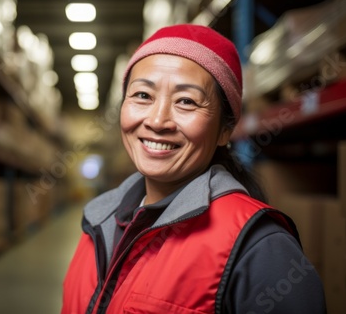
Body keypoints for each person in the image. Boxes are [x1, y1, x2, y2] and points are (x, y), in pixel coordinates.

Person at [61, 24, 326, 314]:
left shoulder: (261, 249)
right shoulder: (99, 222)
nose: (158, 121)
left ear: (225, 131)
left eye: (186, 101)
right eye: (142, 96)